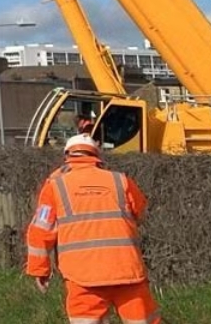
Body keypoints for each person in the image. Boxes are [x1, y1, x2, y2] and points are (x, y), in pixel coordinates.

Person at [26, 134, 161, 324]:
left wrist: (40, 270)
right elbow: (140, 213)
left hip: (82, 276)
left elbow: (40, 231)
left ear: (67, 156)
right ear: (96, 156)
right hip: (126, 271)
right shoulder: (121, 181)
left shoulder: (55, 186)